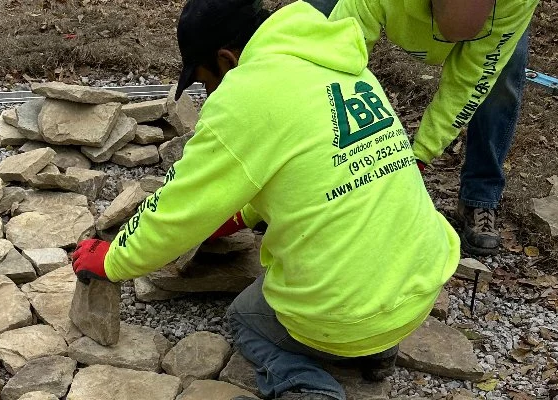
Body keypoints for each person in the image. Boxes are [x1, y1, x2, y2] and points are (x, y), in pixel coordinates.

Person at [70, 0, 460, 398]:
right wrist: (238, 215)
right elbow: (309, 170)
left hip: (347, 314)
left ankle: (308, 387)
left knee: (244, 317)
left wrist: (112, 259)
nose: (209, 93)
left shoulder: (248, 95)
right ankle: (375, 351)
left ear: (227, 58)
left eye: (207, 81)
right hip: (421, 285)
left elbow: (176, 208)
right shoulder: (339, 64)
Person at [305, 0, 539, 256]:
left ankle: (480, 196)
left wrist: (418, 159)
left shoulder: (515, 3)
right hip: (390, 8)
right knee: (319, 34)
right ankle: (302, 168)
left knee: (503, 70)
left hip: (497, 19)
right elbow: (338, 61)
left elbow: (471, 81)